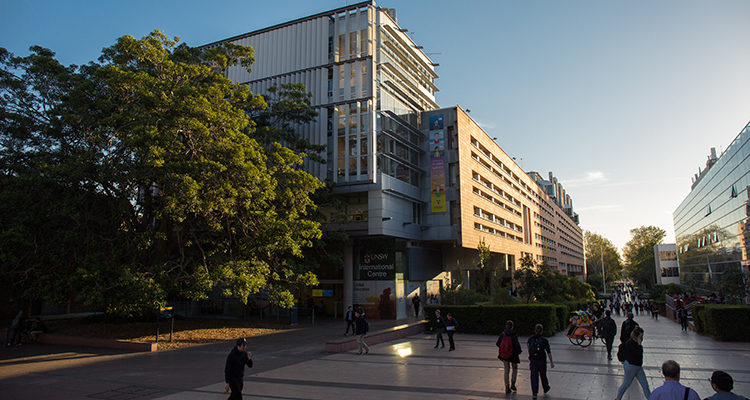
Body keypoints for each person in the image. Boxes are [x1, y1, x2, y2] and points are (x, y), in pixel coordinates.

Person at [616, 327, 651, 400]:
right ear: (636, 336)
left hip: (638, 366)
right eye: (641, 336)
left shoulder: (634, 343)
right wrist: (639, 344)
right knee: (627, 383)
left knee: (645, 385)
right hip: (631, 366)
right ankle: (618, 398)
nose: (642, 338)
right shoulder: (631, 343)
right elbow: (638, 353)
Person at [527, 324, 554, 400]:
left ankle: (534, 393)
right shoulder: (544, 340)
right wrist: (551, 362)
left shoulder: (530, 339)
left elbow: (529, 349)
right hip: (542, 360)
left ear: (535, 331)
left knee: (534, 376)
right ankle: (545, 388)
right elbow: (548, 351)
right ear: (542, 331)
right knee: (543, 375)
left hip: (533, 360)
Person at [497, 320, 522, 394]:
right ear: (512, 327)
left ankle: (507, 386)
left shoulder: (502, 334)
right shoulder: (514, 335)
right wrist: (518, 352)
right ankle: (513, 383)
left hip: (505, 355)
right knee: (514, 368)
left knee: (506, 370)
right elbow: (517, 345)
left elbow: (498, 343)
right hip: (513, 355)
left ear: (506, 326)